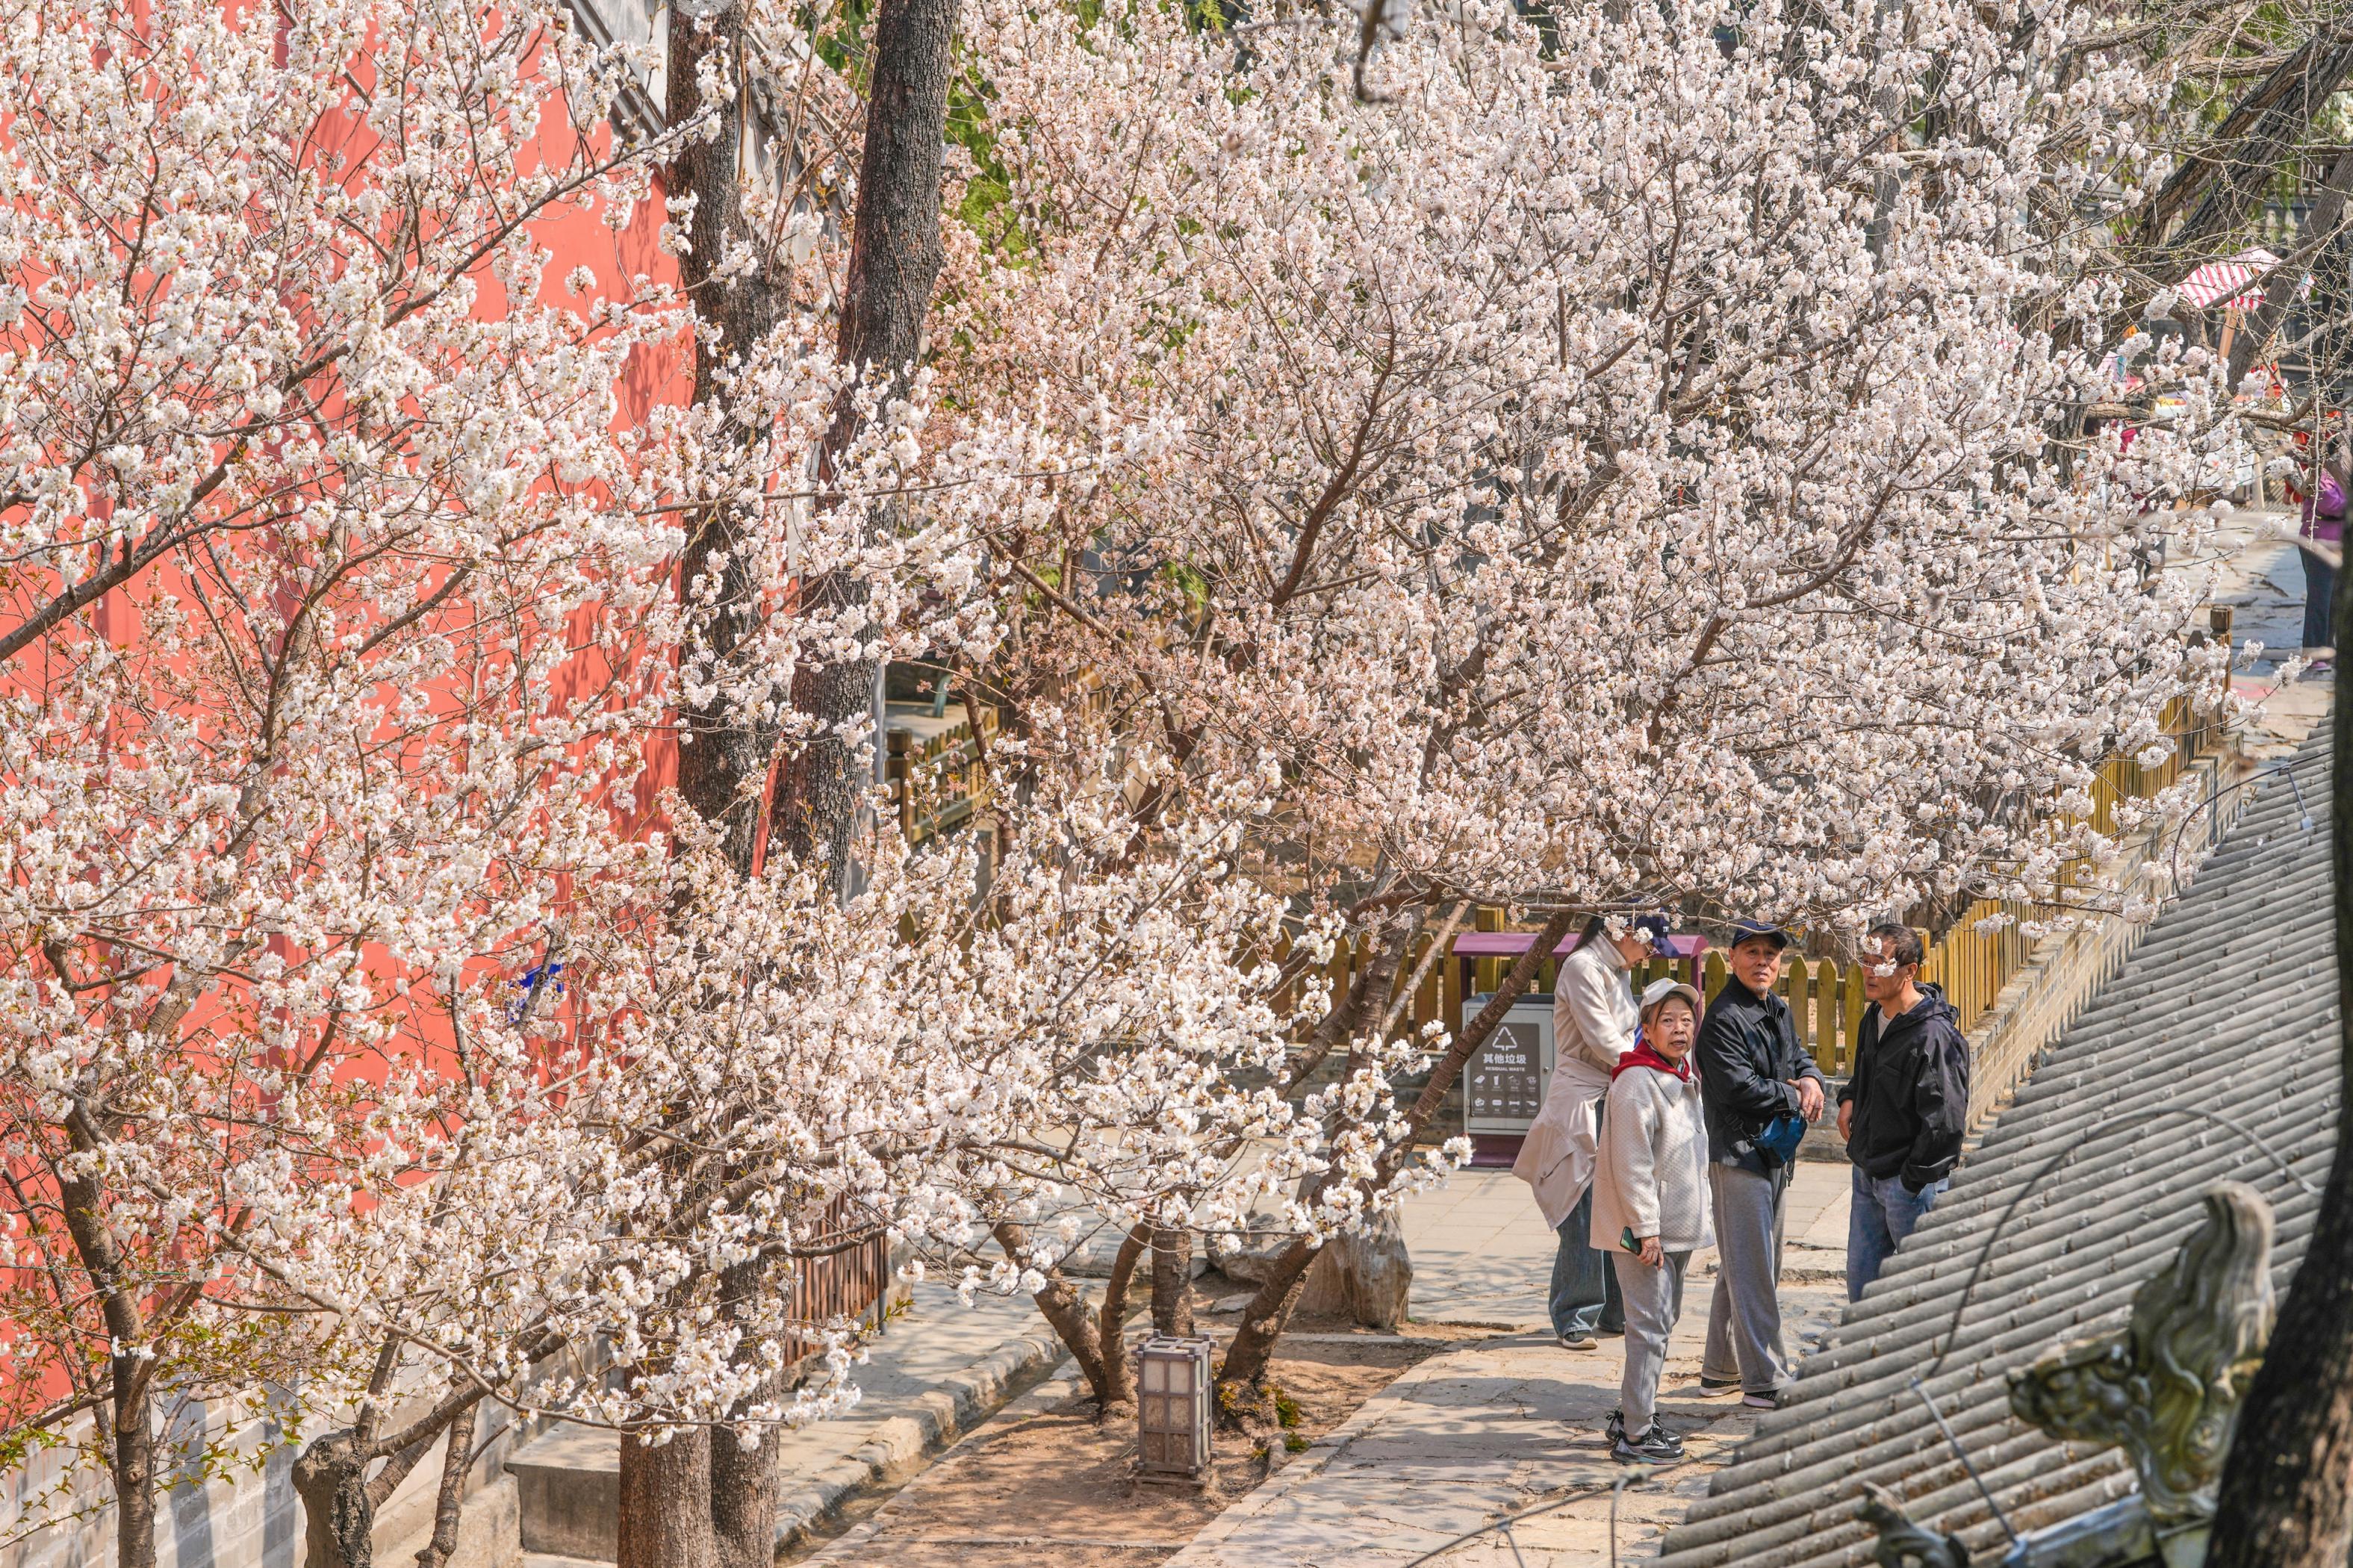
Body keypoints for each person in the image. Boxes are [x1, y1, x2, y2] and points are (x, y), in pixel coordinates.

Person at [1512, 912, 1671, 1348]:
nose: (1650, 955)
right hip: (1584, 1096)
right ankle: (1574, 1313)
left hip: (1617, 1088)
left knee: (1623, 1201)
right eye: (1650, 944)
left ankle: (1617, 1310)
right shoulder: (1583, 966)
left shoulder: (1615, 969)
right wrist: (1654, 1067)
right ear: (1622, 931)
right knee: (1582, 1204)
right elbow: (1604, 1040)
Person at [1693, 920, 1825, 1409]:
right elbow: (1736, 1088)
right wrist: (1792, 1092)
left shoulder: (1776, 1009)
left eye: (1770, 954)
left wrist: (1808, 1077)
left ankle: (1719, 1371)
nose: (1763, 962)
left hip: (1771, 1154)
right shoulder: (1723, 1018)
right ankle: (1764, 1381)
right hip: (1737, 1156)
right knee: (1753, 1274)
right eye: (1752, 952)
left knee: (1745, 1268)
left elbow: (1798, 1057)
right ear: (1732, 957)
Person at [1593, 978, 1712, 1464]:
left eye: (1686, 1020)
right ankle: (1636, 1434)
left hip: (1675, 1229)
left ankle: (1633, 1412)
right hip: (1645, 1236)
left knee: (1661, 1323)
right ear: (1645, 1028)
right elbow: (1632, 1165)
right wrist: (1647, 1230)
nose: (1679, 1029)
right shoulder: (1636, 1083)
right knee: (1648, 1327)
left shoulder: (1677, 1074)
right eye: (1667, 1021)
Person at [1837, 923, 1969, 1301]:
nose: (1868, 972)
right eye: (1865, 961)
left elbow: (1946, 1120)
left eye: (1879, 963)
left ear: (1910, 971)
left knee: (1918, 1296)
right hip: (1867, 1170)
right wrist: (1849, 1098)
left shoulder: (1933, 1035)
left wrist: (1914, 1180)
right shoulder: (1873, 1018)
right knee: (1862, 1291)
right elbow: (1863, 1073)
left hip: (1909, 1184)